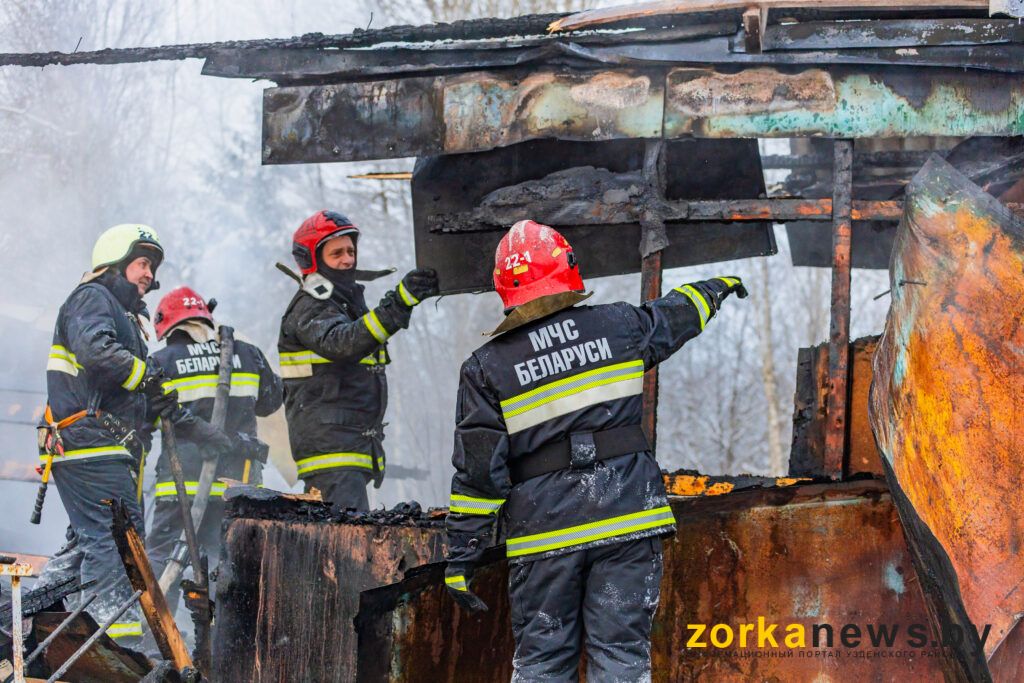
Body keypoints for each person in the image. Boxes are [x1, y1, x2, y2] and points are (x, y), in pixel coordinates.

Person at [444, 220, 748, 682]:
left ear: (504, 287)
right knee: (622, 659)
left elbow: (480, 475)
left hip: (545, 539)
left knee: (543, 664)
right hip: (628, 520)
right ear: (568, 268)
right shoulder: (619, 326)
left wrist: (463, 552)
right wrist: (716, 287)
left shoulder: (486, 368)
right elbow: (675, 316)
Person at [39, 224, 223, 646]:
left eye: (152, 266)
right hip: (91, 446)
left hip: (106, 450)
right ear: (116, 260)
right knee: (115, 544)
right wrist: (145, 378)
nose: (148, 274)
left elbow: (150, 398)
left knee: (85, 549)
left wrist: (206, 434)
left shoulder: (125, 319)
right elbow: (99, 354)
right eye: (142, 263)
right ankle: (116, 647)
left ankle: (23, 623)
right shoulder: (92, 298)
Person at [278, 211, 438, 510]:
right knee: (347, 546)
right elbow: (344, 343)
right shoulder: (311, 306)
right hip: (331, 454)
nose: (348, 259)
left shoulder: (342, 301)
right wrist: (398, 304)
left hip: (348, 449)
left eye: (351, 251)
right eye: (337, 253)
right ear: (313, 259)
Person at [145, 286, 283, 614]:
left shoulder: (162, 361)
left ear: (166, 326)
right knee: (230, 570)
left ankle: (155, 642)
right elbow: (272, 401)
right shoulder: (247, 354)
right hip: (238, 488)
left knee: (162, 563)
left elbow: (144, 415)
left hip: (180, 488)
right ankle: (227, 646)